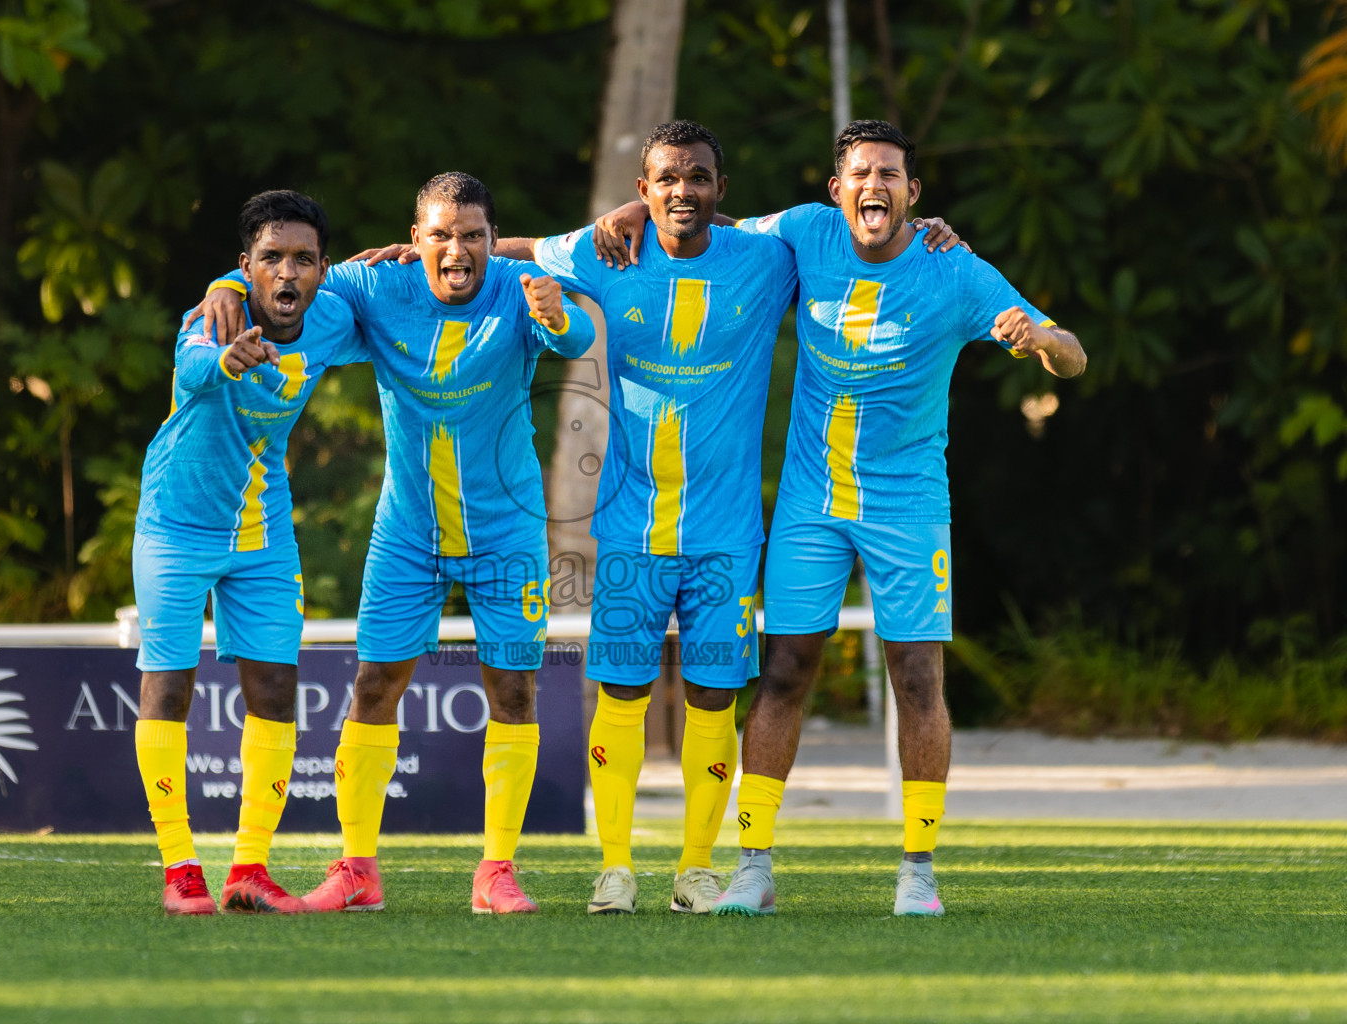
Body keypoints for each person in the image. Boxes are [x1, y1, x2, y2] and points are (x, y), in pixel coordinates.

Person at [364, 121, 962, 916]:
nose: (684, 192)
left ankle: (697, 869)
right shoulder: (609, 251)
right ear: (644, 190)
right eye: (667, 180)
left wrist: (926, 232)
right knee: (620, 695)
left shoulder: (769, 256)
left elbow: (857, 233)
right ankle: (615, 868)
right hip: (628, 532)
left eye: (699, 178)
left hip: (725, 539)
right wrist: (435, 251)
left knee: (716, 698)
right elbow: (523, 246)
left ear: (721, 190)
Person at [627, 119, 1085, 916]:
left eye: (891, 174)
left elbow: (1074, 354)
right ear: (837, 189)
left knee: (916, 678)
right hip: (811, 502)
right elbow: (712, 223)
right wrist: (629, 216)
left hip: (909, 505)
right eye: (861, 173)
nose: (875, 185)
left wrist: (1041, 337)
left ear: (913, 192)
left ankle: (918, 871)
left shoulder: (956, 269)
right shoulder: (804, 232)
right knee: (784, 673)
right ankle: (755, 867)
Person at [187, 172, 595, 915]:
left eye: (472, 235)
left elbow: (578, 336)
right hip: (407, 530)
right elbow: (286, 272)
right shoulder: (376, 286)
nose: (457, 251)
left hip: (507, 531)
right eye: (440, 235)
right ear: (416, 241)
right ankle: (357, 871)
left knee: (513, 690)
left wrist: (556, 313)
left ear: (493, 242)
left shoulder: (520, 286)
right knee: (375, 685)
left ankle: (496, 870)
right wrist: (221, 279)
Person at [133, 189, 363, 915]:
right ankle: (180, 871)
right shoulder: (212, 316)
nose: (287, 273)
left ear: (322, 268)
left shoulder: (331, 315)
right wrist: (229, 357)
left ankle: (248, 870)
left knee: (274, 693)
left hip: (263, 535)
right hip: (173, 525)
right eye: (270, 259)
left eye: (302, 259)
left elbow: (383, 280)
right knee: (168, 688)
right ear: (246, 266)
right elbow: (197, 368)